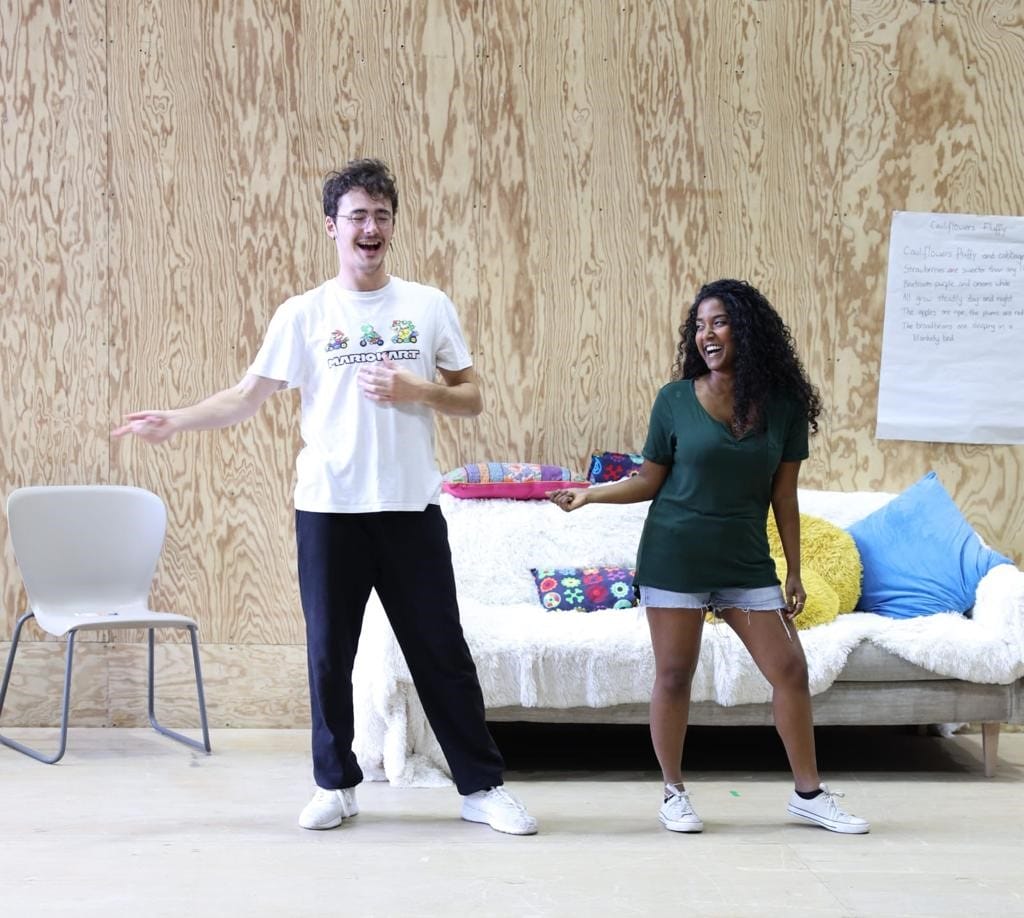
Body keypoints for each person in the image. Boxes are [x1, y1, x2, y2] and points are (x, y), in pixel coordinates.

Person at [113, 158, 537, 836]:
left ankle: (480, 787)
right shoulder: (304, 314)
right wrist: (178, 419)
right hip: (330, 510)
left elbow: (473, 396)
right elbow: (246, 397)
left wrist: (416, 389)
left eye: (381, 216)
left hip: (409, 509)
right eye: (357, 216)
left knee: (441, 653)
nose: (370, 228)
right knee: (327, 655)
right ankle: (335, 785)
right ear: (332, 227)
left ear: (392, 226)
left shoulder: (426, 307)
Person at [549, 278, 869, 835]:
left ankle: (809, 795)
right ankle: (673, 793)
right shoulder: (675, 400)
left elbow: (784, 496)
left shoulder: (785, 407)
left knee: (790, 669)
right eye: (698, 326)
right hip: (676, 556)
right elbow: (650, 479)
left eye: (717, 322)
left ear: (745, 328)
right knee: (675, 674)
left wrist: (793, 569)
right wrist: (591, 492)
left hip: (745, 562)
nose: (706, 335)